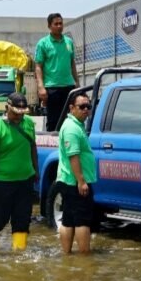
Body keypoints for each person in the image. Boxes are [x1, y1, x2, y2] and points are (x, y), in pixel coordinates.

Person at [0, 92, 39, 251]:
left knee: (22, 219)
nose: (19, 117)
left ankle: (18, 253)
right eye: (15, 113)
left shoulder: (28, 123)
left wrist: (36, 169)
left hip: (25, 180)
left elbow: (32, 147)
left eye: (22, 113)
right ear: (7, 108)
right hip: (2, 183)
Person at [56, 92, 97, 254]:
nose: (86, 109)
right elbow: (73, 156)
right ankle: (84, 258)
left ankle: (67, 255)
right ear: (72, 108)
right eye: (82, 107)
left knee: (68, 219)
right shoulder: (72, 128)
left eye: (88, 106)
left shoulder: (75, 125)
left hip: (69, 181)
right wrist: (81, 181)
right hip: (75, 182)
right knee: (82, 221)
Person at [35, 13, 79, 131]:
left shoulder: (69, 42)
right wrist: (41, 87)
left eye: (61, 23)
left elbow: (72, 63)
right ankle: (53, 147)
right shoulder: (43, 43)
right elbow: (38, 66)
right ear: (49, 26)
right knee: (54, 121)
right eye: (56, 24)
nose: (59, 26)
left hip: (69, 87)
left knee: (70, 120)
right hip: (52, 88)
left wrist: (77, 83)